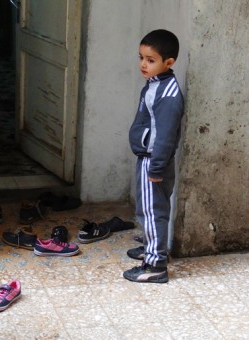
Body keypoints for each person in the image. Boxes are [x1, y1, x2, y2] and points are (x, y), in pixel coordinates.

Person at [123, 29, 184, 284]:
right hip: (148, 158)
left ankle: (155, 264)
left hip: (153, 161)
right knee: (147, 208)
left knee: (153, 211)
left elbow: (166, 136)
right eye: (141, 57)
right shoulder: (155, 84)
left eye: (150, 60)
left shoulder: (168, 95)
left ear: (168, 63)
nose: (143, 64)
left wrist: (156, 169)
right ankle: (151, 246)